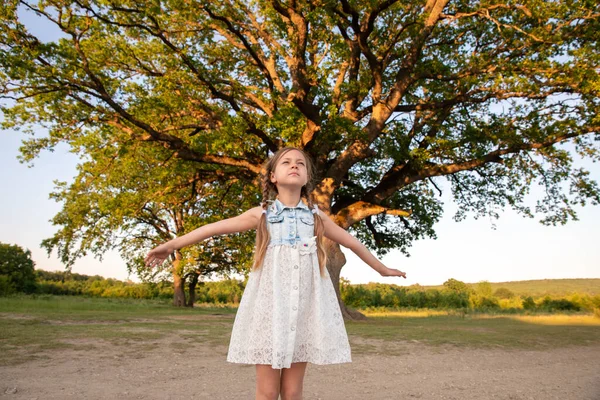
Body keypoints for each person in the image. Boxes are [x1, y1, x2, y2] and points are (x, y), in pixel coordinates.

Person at [145, 146, 407, 400]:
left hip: (303, 312)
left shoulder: (317, 217)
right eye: (286, 162)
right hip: (269, 311)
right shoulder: (262, 215)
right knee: (268, 393)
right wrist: (170, 245)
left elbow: (352, 242)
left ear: (306, 178)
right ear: (273, 177)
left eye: (300, 163)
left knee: (293, 393)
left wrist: (382, 269)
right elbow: (212, 228)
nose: (294, 165)